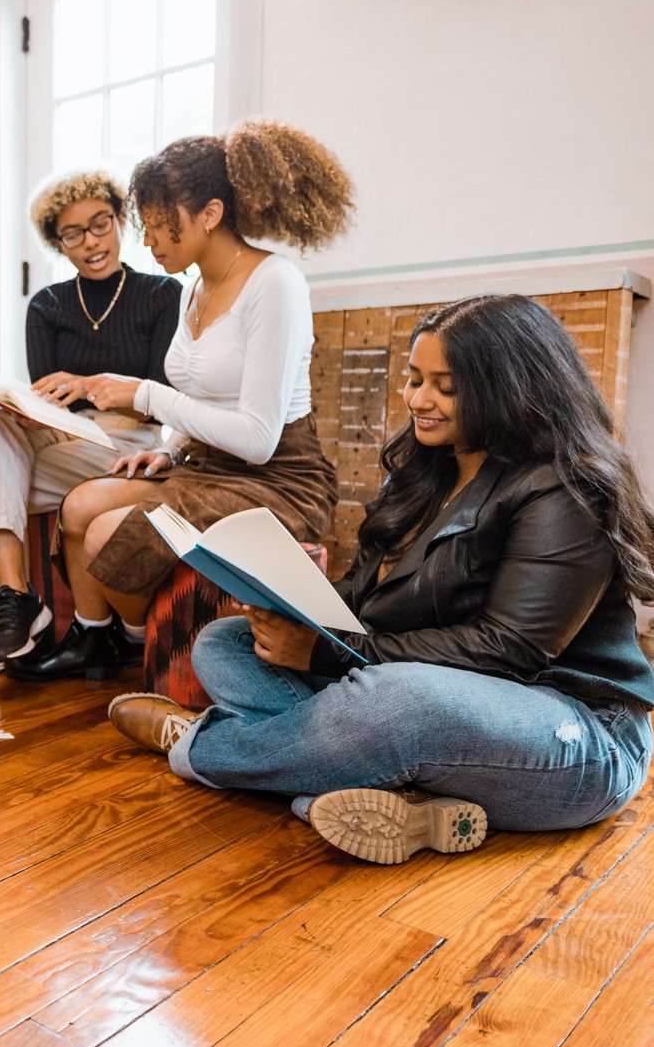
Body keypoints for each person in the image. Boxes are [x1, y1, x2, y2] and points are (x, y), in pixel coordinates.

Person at [109, 295, 654, 863]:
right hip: (430, 697)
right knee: (227, 644)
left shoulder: (567, 488)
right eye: (414, 379)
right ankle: (402, 797)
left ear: (510, 386)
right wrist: (283, 599)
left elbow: (510, 649)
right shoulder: (426, 473)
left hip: (574, 732)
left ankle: (201, 745)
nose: (420, 400)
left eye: (446, 387)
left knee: (394, 703)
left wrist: (325, 656)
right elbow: (362, 597)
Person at [10, 118, 350, 682]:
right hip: (208, 466)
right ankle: (104, 644)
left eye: (161, 225)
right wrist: (172, 451)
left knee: (104, 533)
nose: (148, 241)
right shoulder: (195, 286)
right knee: (79, 507)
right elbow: (205, 398)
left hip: (280, 479)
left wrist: (146, 395)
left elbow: (259, 439)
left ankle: (147, 645)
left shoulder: (275, 283)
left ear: (210, 215)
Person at [0, 169, 182, 675]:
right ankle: (17, 599)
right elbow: (50, 401)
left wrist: (93, 384)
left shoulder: (161, 293)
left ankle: (12, 616)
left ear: (121, 221)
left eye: (100, 224)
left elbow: (163, 399)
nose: (91, 242)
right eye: (72, 234)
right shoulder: (48, 305)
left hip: (131, 438)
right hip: (66, 437)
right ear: (58, 243)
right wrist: (28, 410)